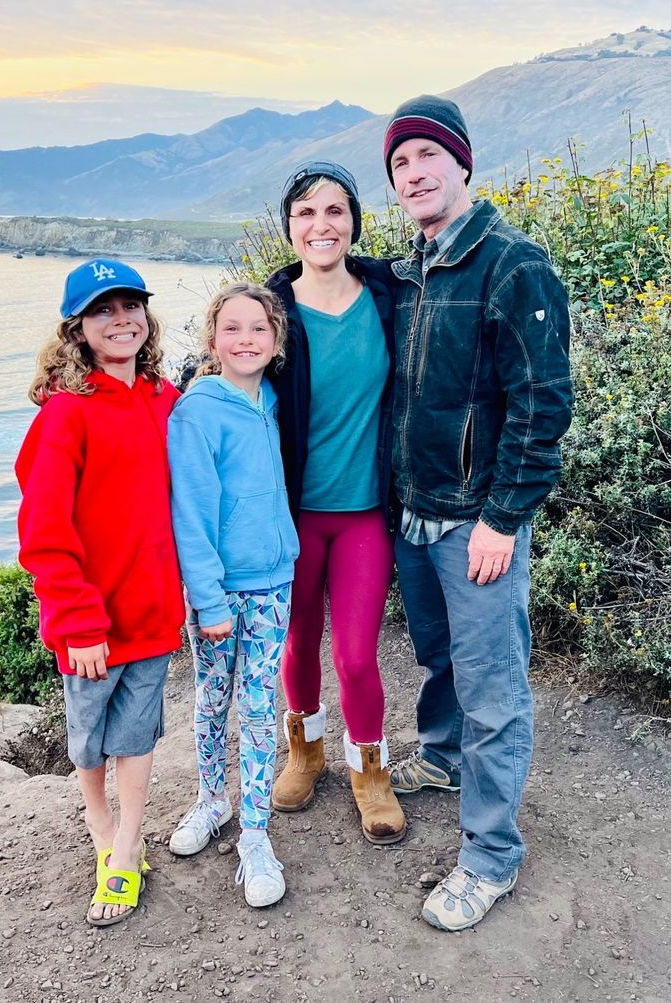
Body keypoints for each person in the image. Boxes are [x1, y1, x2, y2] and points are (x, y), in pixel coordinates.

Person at [382, 96, 574, 930]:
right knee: (438, 656)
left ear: (462, 164)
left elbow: (543, 405)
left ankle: (490, 856)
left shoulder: (512, 263)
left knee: (494, 686)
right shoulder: (410, 272)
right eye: (399, 163)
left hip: (475, 521)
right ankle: (444, 756)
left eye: (427, 155)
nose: (414, 173)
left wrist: (503, 516)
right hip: (414, 513)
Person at [15, 258, 184, 927]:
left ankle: (128, 841)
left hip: (152, 612)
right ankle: (98, 822)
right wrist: (80, 620)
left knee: (137, 736)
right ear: (77, 330)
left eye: (130, 307)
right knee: (89, 742)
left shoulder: (165, 399)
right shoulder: (65, 415)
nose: (121, 321)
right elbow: (42, 529)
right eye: (102, 312)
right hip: (90, 622)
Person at [265, 161, 406, 845]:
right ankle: (306, 750)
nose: (320, 225)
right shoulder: (271, 310)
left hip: (361, 514)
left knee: (354, 654)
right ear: (288, 227)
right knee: (298, 641)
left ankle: (368, 770)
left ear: (353, 221)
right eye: (305, 214)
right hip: (292, 516)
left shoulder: (387, 292)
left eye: (333, 211)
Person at [166, 283, 300, 908]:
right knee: (212, 700)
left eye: (258, 329)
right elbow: (189, 513)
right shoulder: (197, 411)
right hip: (218, 595)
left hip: (276, 583)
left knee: (257, 707)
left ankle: (254, 833)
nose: (245, 340)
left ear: (276, 341)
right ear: (212, 340)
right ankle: (210, 800)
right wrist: (209, 599)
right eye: (232, 329)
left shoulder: (273, 399)